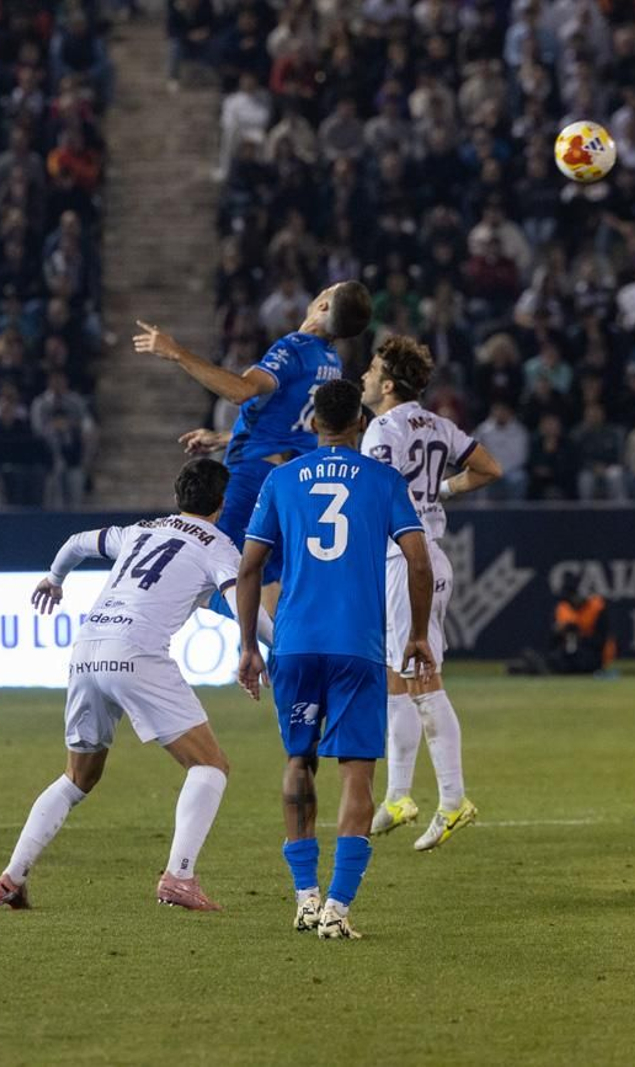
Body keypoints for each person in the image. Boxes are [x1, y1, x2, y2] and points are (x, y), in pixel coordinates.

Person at [0, 459, 276, 912]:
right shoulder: (217, 544)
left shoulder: (138, 531)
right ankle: (179, 877)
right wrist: (271, 644)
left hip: (86, 648)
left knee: (77, 777)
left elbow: (75, 543)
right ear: (221, 504)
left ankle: (12, 877)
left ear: (177, 496)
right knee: (210, 766)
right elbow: (243, 596)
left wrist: (54, 580)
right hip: (135, 650)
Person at [236, 380, 436, 940]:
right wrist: (418, 634)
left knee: (299, 761)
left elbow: (249, 567)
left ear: (314, 424)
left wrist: (250, 645)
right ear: (359, 423)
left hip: (295, 643)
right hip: (357, 646)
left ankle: (305, 896)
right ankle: (338, 909)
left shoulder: (281, 479)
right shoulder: (383, 480)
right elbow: (418, 561)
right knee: (357, 771)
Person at [136, 280, 373, 603]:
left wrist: (176, 352)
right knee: (266, 582)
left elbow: (240, 390)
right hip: (288, 482)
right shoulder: (331, 363)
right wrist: (224, 438)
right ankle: (273, 652)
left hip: (252, 480)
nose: (320, 291)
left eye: (328, 290)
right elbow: (293, 427)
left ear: (323, 307)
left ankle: (140, 637)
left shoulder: (294, 348)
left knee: (204, 567)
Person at [358, 336, 502, 850]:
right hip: (427, 553)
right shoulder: (439, 424)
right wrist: (441, 490)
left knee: (422, 681)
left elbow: (371, 494)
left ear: (389, 385)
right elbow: (489, 468)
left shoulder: (382, 428)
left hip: (406, 559)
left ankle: (453, 798)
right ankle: (398, 796)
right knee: (398, 679)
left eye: (372, 371)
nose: (365, 379)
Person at [548, 574, 616, 675]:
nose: (572, 601)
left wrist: (579, 637)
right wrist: (562, 631)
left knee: (585, 660)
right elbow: (553, 640)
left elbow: (601, 639)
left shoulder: (597, 608)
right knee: (557, 660)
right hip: (569, 652)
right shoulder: (563, 607)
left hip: (593, 653)